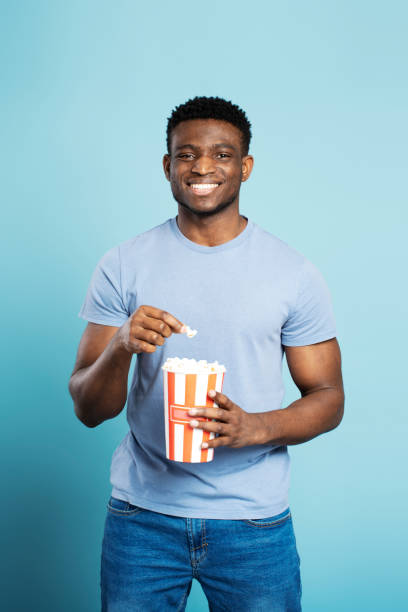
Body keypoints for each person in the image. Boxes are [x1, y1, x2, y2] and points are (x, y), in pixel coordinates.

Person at [69, 96, 344, 611]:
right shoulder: (124, 264)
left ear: (245, 167)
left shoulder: (291, 272)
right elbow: (88, 407)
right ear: (168, 165)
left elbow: (329, 397)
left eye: (221, 154)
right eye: (186, 153)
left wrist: (254, 428)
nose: (202, 167)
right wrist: (123, 344)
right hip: (141, 519)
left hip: (254, 523)